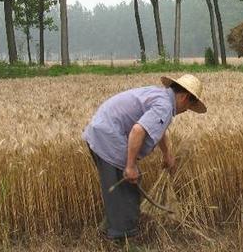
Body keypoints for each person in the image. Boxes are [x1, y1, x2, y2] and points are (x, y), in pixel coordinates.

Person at [83, 74, 206, 241]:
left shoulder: (161, 97)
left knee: (119, 190)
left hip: (101, 133)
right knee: (128, 190)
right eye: (189, 106)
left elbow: (155, 129)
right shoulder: (164, 106)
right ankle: (123, 241)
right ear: (184, 97)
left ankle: (109, 229)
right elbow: (138, 131)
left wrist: (167, 154)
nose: (186, 111)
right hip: (108, 138)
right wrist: (131, 166)